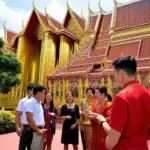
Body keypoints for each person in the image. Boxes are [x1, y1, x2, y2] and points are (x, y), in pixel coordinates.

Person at [86, 56, 150, 150]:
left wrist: (102, 120)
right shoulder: (147, 93)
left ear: (121, 73)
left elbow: (112, 138)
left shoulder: (121, 97)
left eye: (114, 72)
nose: (114, 76)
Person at [24, 85, 47, 150]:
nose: (45, 95)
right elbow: (29, 118)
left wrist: (42, 129)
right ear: (39, 93)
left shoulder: (39, 103)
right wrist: (38, 130)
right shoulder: (30, 102)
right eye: (44, 93)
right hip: (34, 131)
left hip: (40, 130)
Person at [15, 83, 36, 150]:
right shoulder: (22, 101)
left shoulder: (38, 102)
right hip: (25, 127)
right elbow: (18, 114)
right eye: (34, 90)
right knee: (22, 147)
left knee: (32, 147)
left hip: (35, 128)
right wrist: (17, 127)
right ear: (29, 91)